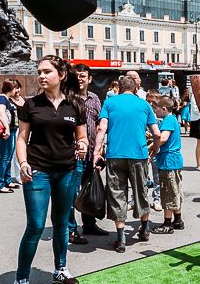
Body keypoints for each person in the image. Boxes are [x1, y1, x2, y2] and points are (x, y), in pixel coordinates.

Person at [13, 56, 89, 284]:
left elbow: (82, 136)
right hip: (37, 172)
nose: (41, 76)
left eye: (47, 71)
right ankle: (21, 280)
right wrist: (23, 163)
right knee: (35, 226)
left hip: (67, 171)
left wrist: (82, 145)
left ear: (61, 75)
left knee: (61, 224)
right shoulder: (31, 104)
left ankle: (60, 269)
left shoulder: (75, 104)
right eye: (39, 72)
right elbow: (22, 139)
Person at [92, 74, 161, 253]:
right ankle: (144, 229)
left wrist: (96, 151)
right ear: (135, 89)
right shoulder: (144, 104)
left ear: (119, 89)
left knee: (117, 194)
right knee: (141, 191)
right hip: (138, 154)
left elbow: (102, 128)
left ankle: (121, 238)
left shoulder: (109, 103)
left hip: (115, 155)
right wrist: (155, 149)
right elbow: (157, 133)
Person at [68, 63, 109, 244]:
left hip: (92, 153)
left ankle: (89, 224)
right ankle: (70, 229)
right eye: (76, 75)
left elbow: (100, 124)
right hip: (73, 153)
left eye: (83, 75)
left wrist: (100, 148)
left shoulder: (94, 98)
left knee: (89, 189)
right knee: (71, 193)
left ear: (89, 79)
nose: (79, 78)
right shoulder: (68, 97)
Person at [150, 96, 185, 234]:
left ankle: (167, 224)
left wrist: (150, 148)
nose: (154, 111)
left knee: (167, 193)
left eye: (156, 109)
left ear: (164, 109)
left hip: (168, 162)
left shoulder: (168, 120)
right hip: (173, 161)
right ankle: (178, 220)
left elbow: (163, 138)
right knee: (175, 191)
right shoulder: (172, 120)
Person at [0, 79, 22, 193]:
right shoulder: (2, 98)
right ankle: (0, 185)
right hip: (6, 132)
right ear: (10, 88)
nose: (17, 90)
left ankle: (7, 181)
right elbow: (1, 113)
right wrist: (7, 128)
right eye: (15, 88)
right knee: (5, 157)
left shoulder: (7, 98)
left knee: (9, 157)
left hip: (11, 130)